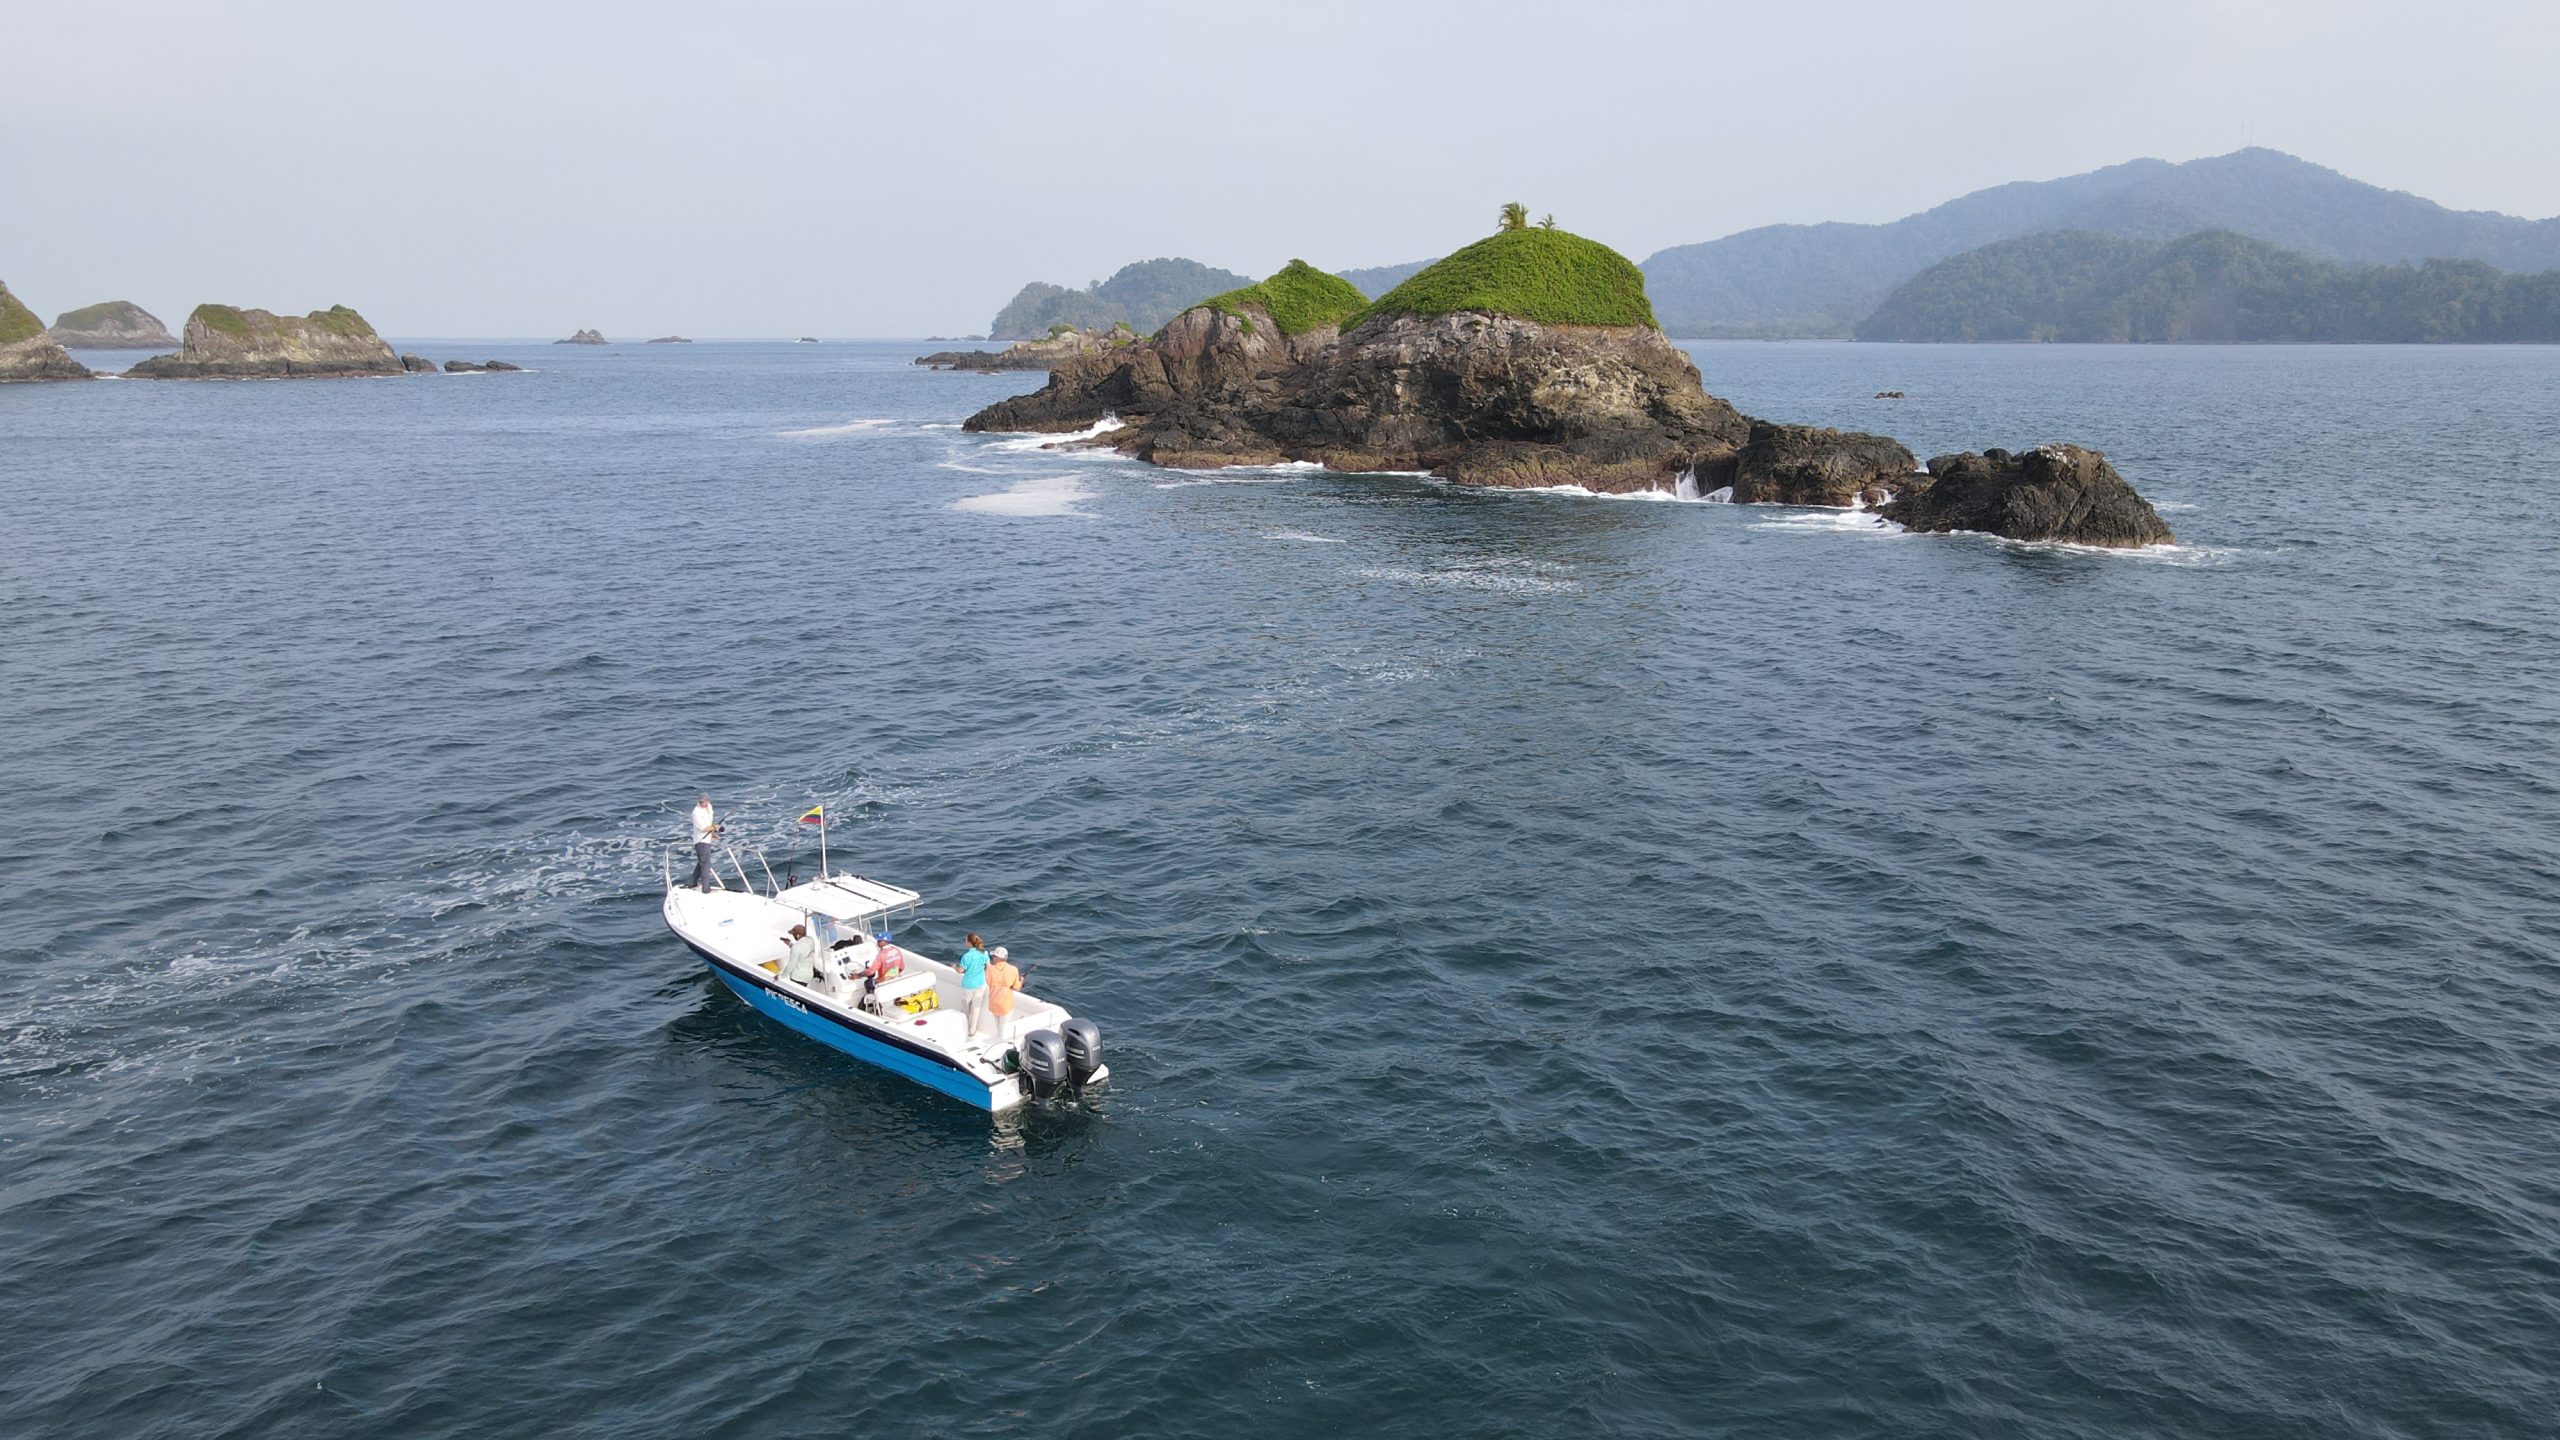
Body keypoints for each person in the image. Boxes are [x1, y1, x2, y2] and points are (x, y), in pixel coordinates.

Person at [955, 932, 992, 1040]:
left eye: (966, 940)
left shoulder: (967, 956)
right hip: (981, 984)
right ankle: (972, 1030)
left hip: (968, 985)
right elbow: (988, 966)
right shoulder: (984, 953)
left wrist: (954, 967)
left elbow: (960, 970)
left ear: (970, 943)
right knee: (976, 1008)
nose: (965, 942)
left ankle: (963, 1027)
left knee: (965, 1007)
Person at [985, 945, 1023, 1038]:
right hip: (1005, 1006)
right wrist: (1021, 981)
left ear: (998, 958)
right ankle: (1001, 1041)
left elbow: (988, 982)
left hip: (993, 1004)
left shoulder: (989, 969)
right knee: (1005, 1029)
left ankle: (998, 1039)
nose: (993, 958)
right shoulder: (1013, 970)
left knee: (999, 1027)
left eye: (994, 956)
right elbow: (1016, 987)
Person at [688, 795, 719, 890]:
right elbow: (703, 828)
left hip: (707, 839)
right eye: (700, 802)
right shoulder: (696, 813)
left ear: (708, 801)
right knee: (706, 864)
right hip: (701, 841)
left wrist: (712, 833)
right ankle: (706, 888)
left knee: (702, 862)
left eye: (703, 802)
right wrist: (715, 828)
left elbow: (708, 823)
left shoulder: (709, 807)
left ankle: (692, 882)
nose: (702, 803)